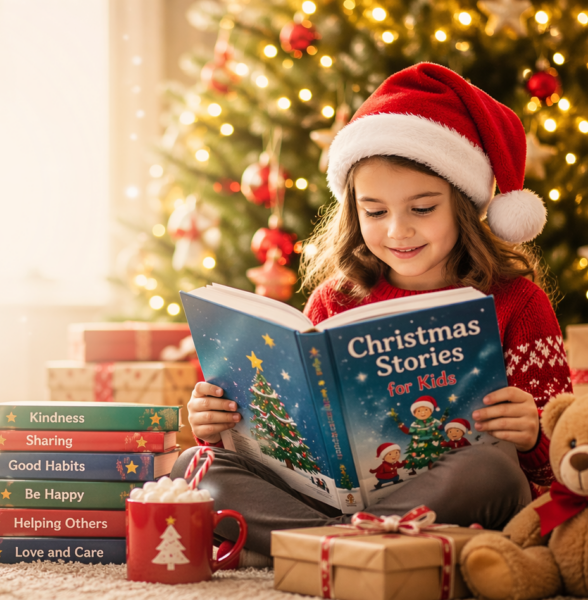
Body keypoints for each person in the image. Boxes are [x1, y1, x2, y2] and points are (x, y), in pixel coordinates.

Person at [174, 62, 572, 566]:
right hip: (328, 498)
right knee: (195, 466)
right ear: (354, 210)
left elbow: (566, 458)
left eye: (422, 208)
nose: (397, 231)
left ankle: (308, 548)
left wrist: (535, 433)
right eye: (375, 211)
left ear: (465, 205)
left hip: (446, 495)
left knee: (492, 472)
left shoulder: (517, 301)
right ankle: (351, 546)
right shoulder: (335, 301)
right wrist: (220, 422)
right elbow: (290, 432)